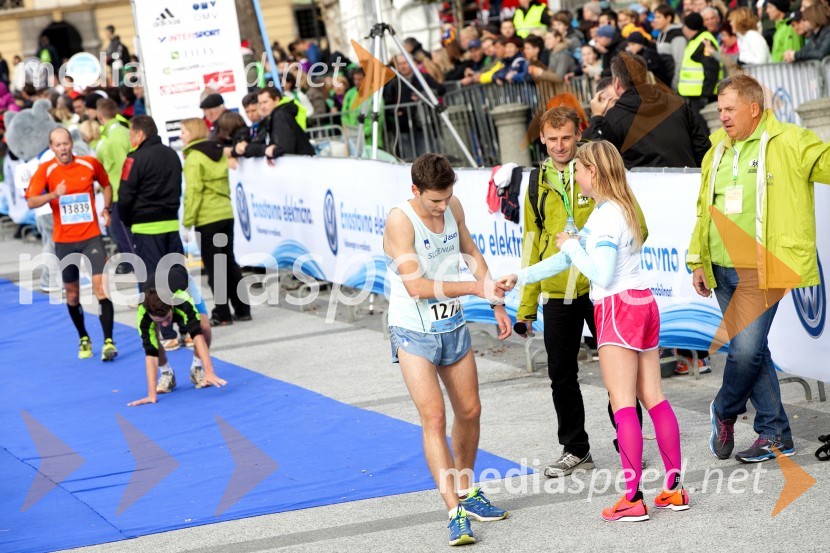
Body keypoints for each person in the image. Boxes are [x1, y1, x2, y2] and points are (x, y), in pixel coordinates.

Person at [499, 140, 689, 521]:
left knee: (623, 404)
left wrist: (571, 247)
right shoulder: (622, 207)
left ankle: (633, 499)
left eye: (581, 169)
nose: (576, 174)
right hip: (642, 302)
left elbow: (598, 272)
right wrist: (520, 276)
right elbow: (559, 260)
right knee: (654, 397)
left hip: (617, 307)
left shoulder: (604, 217)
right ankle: (673, 489)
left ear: (594, 173)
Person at [687, 74, 830, 463]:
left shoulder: (791, 141)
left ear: (754, 107)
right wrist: (698, 259)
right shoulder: (717, 147)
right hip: (720, 266)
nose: (723, 117)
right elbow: (705, 207)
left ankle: (723, 409)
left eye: (729, 109)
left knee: (745, 352)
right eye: (720, 111)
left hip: (763, 268)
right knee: (756, 352)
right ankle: (775, 434)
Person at [383, 153, 510, 546]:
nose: (441, 208)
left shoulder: (453, 205)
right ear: (415, 191)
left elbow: (470, 252)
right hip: (413, 329)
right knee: (434, 418)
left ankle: (468, 491)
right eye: (434, 201)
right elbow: (416, 288)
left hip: (452, 323)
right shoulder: (400, 220)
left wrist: (495, 301)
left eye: (446, 199)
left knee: (470, 411)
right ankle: (453, 510)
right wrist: (474, 289)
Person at [25, 127, 117, 361]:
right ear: (52, 147)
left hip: (91, 236)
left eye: (66, 143)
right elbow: (31, 201)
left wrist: (106, 208)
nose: (63, 148)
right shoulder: (46, 170)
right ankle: (83, 337)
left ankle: (108, 340)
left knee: (101, 289)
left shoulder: (89, 164)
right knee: (73, 295)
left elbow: (107, 185)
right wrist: (54, 194)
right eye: (58, 145)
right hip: (64, 241)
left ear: (71, 144)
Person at [118, 115, 185, 350]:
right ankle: (186, 327)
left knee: (151, 282)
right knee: (177, 276)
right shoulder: (172, 154)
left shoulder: (133, 159)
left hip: (145, 227)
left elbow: (124, 196)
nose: (130, 139)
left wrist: (126, 219)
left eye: (131, 135)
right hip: (171, 224)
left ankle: (166, 332)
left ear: (139, 134)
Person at [180, 118, 251, 326]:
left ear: (193, 132)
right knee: (229, 261)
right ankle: (242, 308)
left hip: (207, 217)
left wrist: (187, 221)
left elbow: (193, 192)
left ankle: (222, 312)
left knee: (214, 267)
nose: (180, 136)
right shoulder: (219, 152)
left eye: (183, 131)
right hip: (225, 214)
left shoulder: (193, 158)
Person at [587, 52, 710, 169]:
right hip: (688, 184)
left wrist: (597, 117)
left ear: (617, 83)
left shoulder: (615, 117)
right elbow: (703, 150)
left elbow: (600, 160)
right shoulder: (677, 103)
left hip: (643, 188)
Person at [128, 266, 227, 406]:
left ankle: (197, 369)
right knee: (153, 340)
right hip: (155, 285)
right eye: (158, 321)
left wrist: (209, 371)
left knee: (204, 327)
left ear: (172, 307)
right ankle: (166, 374)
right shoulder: (143, 314)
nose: (164, 325)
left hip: (183, 282)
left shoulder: (182, 300)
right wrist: (151, 394)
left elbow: (197, 336)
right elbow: (150, 354)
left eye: (167, 319)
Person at [95, 98, 132, 272]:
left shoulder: (113, 139)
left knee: (124, 235)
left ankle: (134, 264)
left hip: (120, 193)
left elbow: (124, 166)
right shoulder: (123, 131)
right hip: (124, 192)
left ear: (100, 116)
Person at [235, 87, 315, 159]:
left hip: (301, 164)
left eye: (265, 102)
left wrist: (272, 152)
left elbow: (284, 147)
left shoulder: (279, 115)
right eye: (260, 103)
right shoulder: (275, 116)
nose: (262, 107)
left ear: (276, 100)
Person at [677, 12, 723, 114]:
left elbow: (711, 69)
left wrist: (705, 95)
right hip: (696, 95)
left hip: (703, 96)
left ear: (688, 27)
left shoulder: (704, 41)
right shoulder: (697, 40)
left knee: (704, 128)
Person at [652, 5, 686, 90]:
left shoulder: (677, 36)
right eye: (655, 17)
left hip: (673, 85)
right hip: (664, 83)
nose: (655, 20)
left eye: (658, 17)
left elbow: (679, 63)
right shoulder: (661, 34)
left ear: (668, 18)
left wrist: (675, 85)